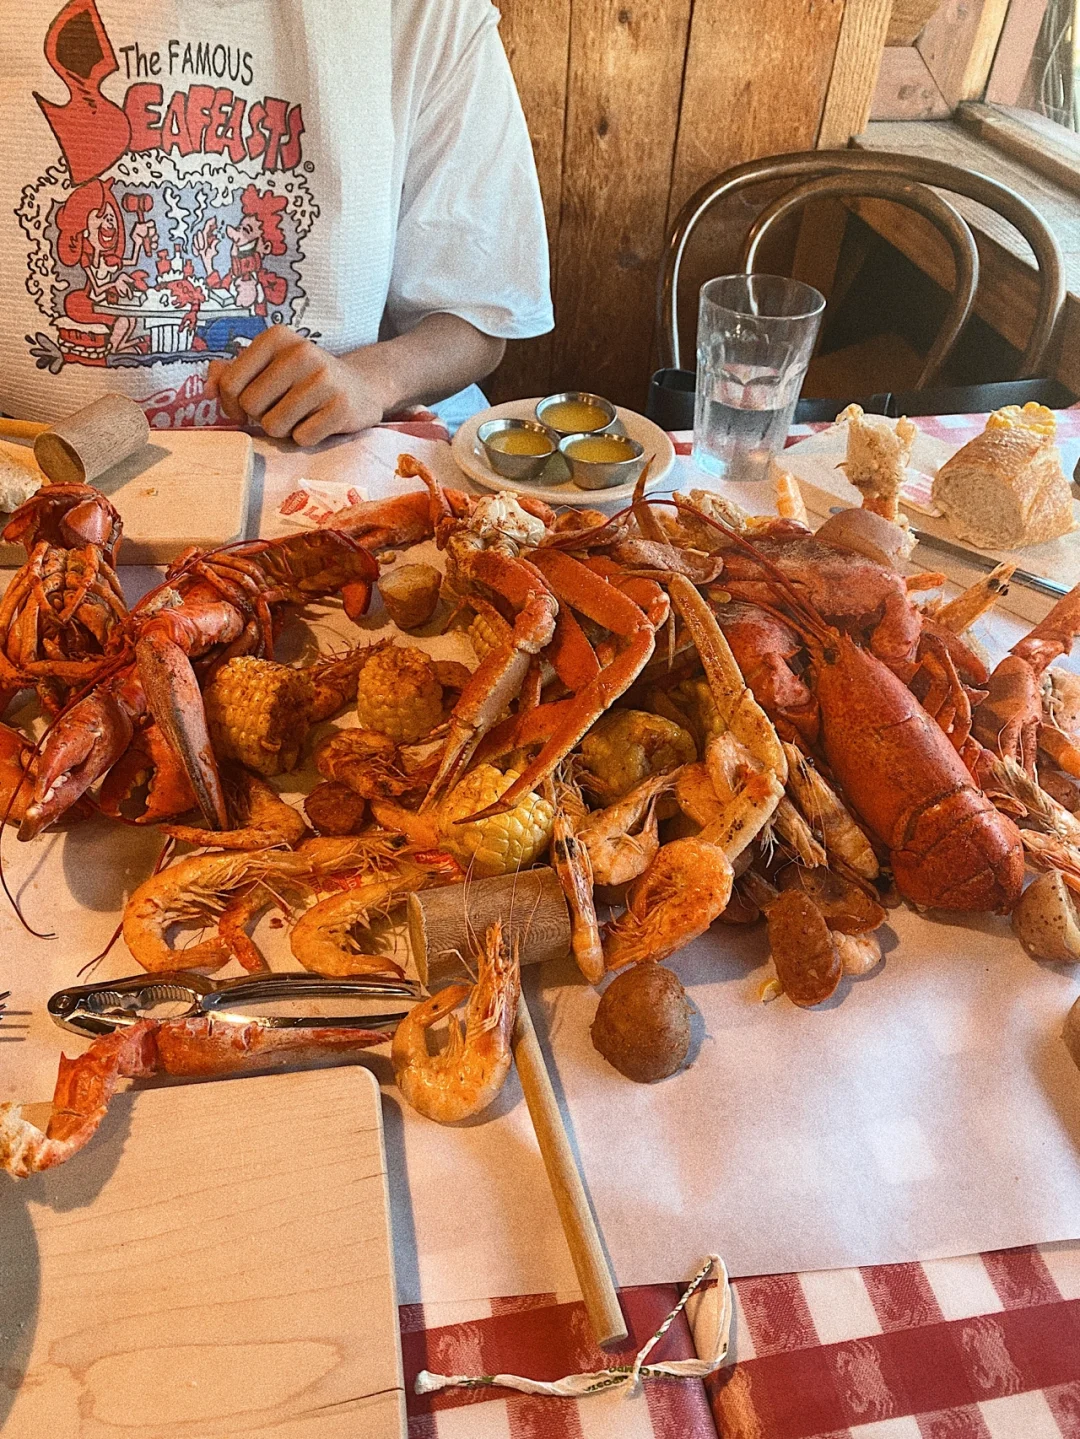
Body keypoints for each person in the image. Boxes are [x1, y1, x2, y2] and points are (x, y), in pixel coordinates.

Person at [0, 0, 552, 439]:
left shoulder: (427, 12)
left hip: (316, 479)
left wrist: (373, 379)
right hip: (37, 478)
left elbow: (476, 318)